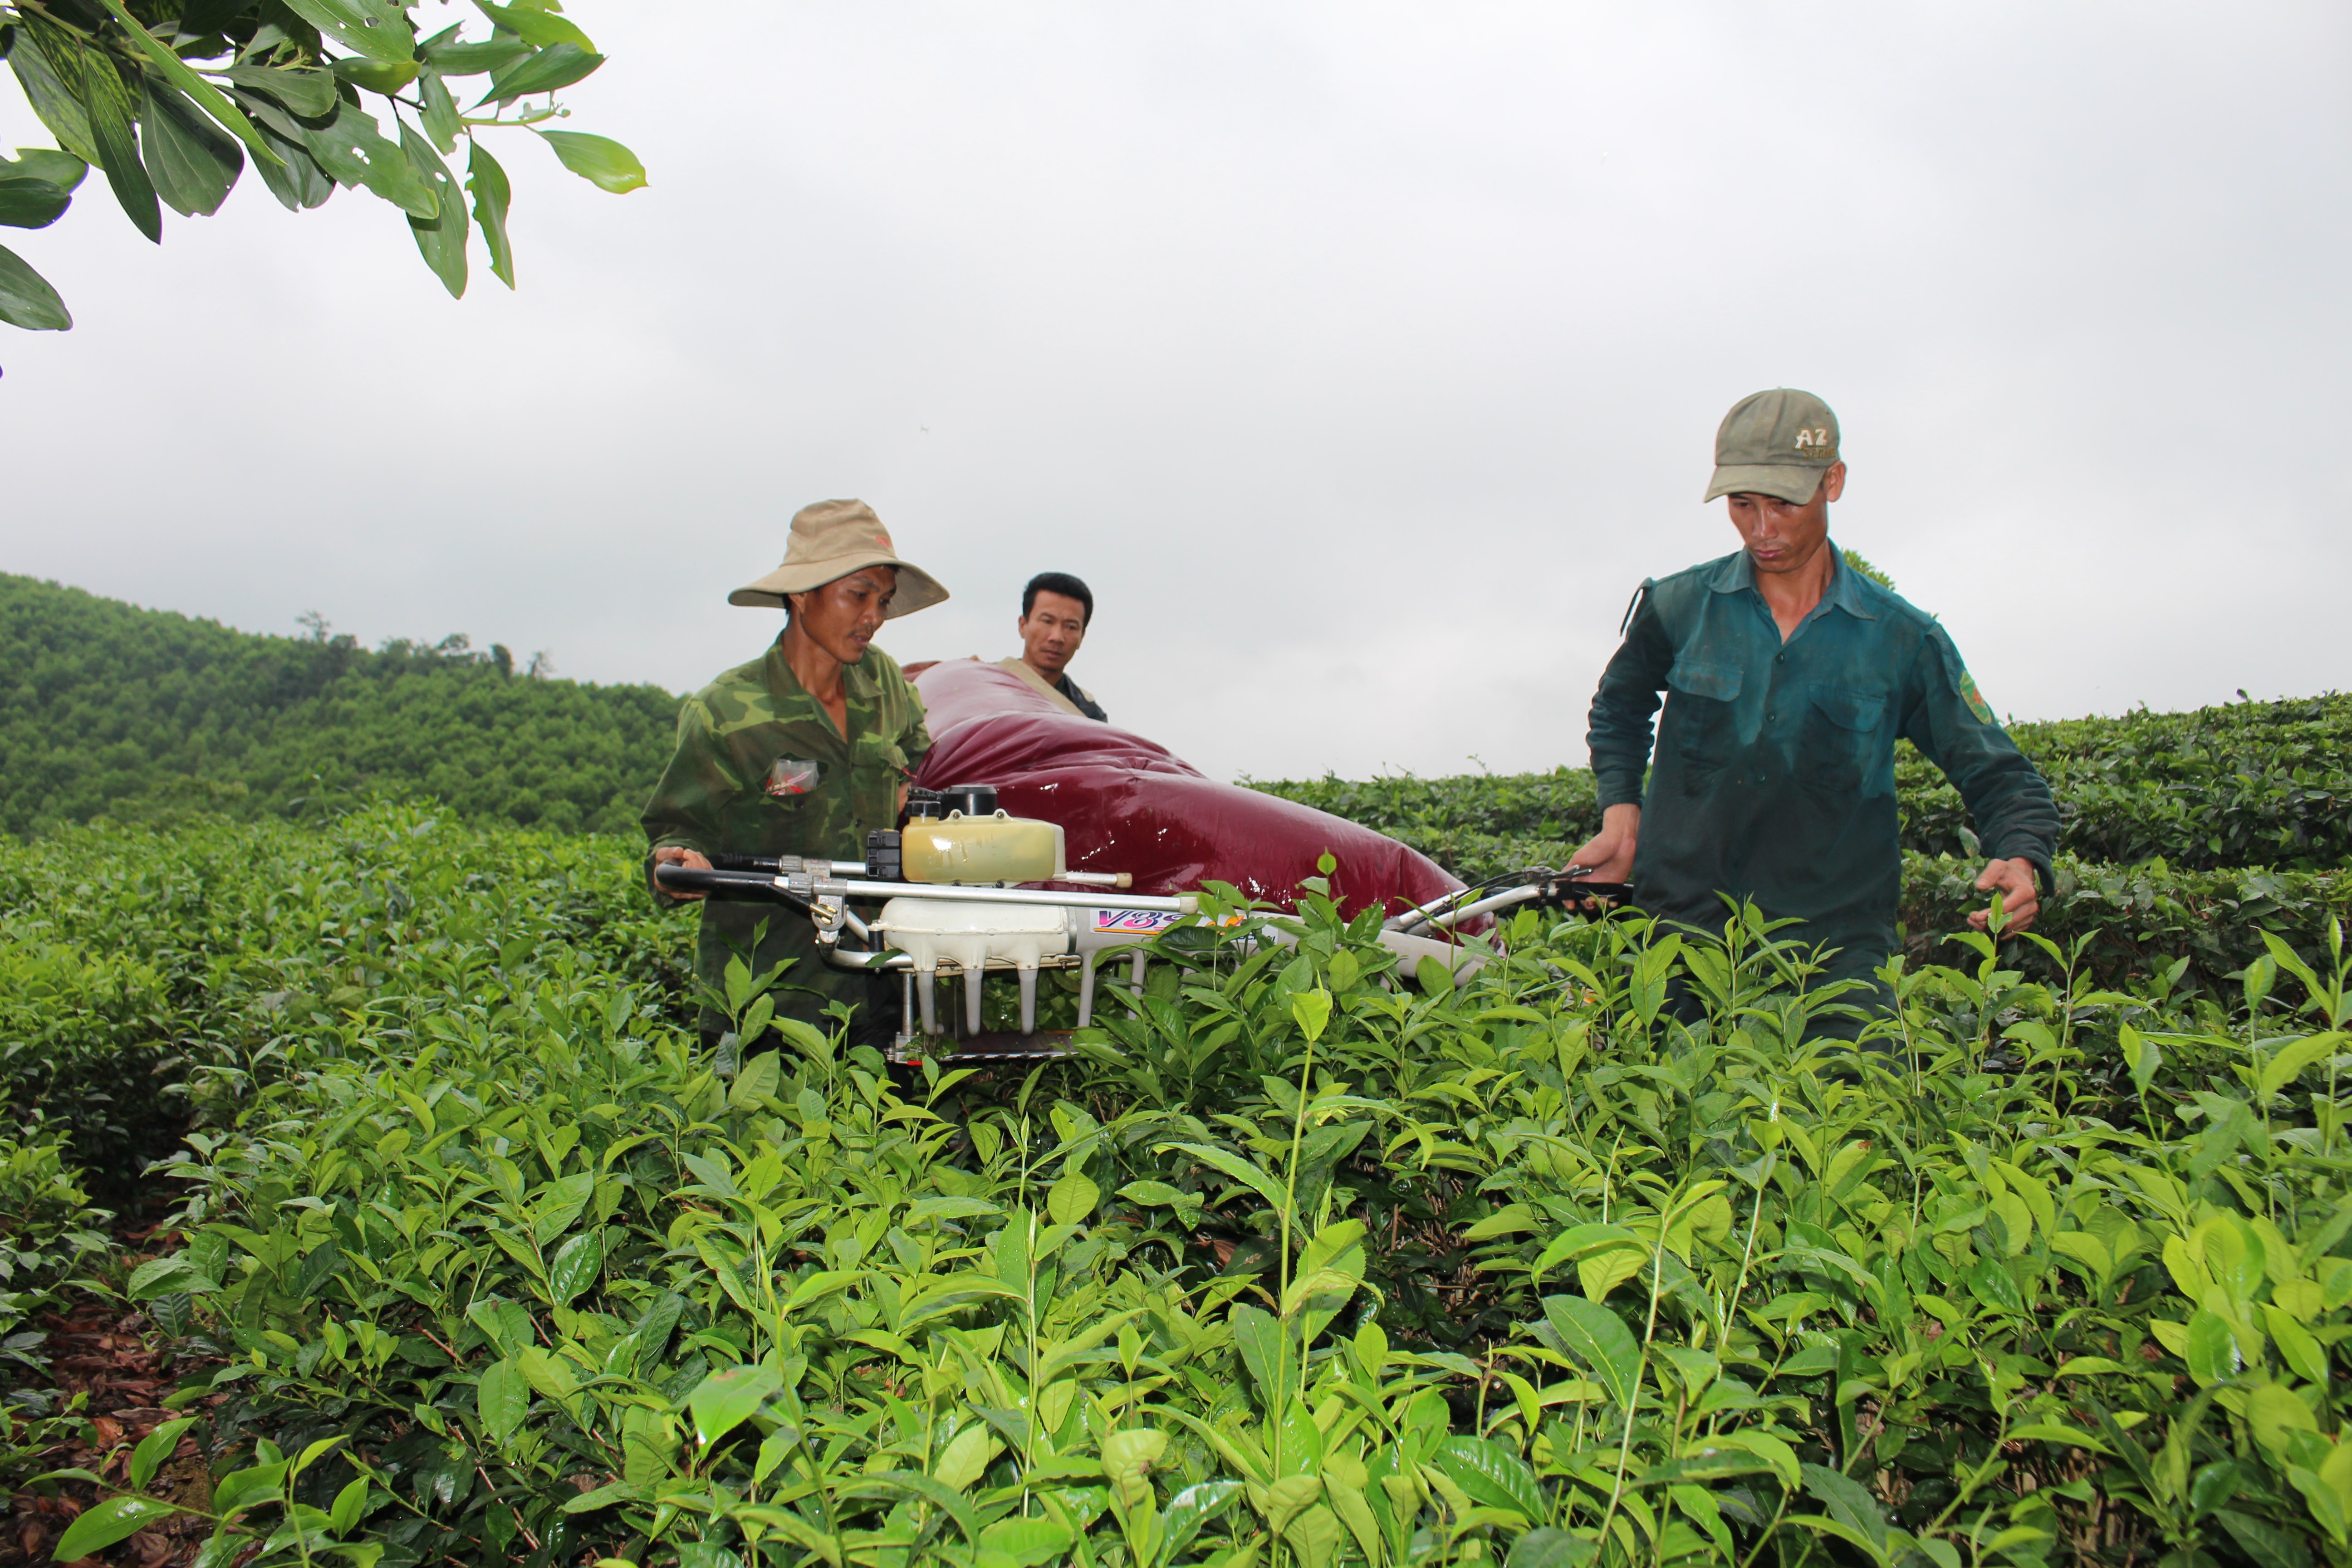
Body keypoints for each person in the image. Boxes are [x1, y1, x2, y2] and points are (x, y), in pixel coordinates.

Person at [1568, 388, 2059, 1027]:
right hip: (1678, 941)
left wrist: (2020, 857)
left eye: (1782, 504)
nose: (1761, 528)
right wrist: (1622, 814)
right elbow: (1620, 707)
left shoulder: (1901, 639)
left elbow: (1997, 772)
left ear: (1833, 482)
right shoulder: (1680, 607)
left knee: (1842, 1121)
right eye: (1742, 505)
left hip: (1833, 963)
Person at [642, 499, 948, 1050]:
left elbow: (916, 770)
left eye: (882, 600)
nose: (874, 617)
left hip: (876, 977)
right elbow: (676, 831)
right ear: (801, 595)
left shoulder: (887, 687)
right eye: (858, 596)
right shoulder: (728, 711)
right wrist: (677, 862)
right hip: (764, 997)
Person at [996, 571, 1107, 720]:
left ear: (1082, 637)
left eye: (1071, 627)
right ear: (1023, 626)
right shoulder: (988, 682)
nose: (1057, 637)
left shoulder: (1087, 713)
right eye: (1047, 622)